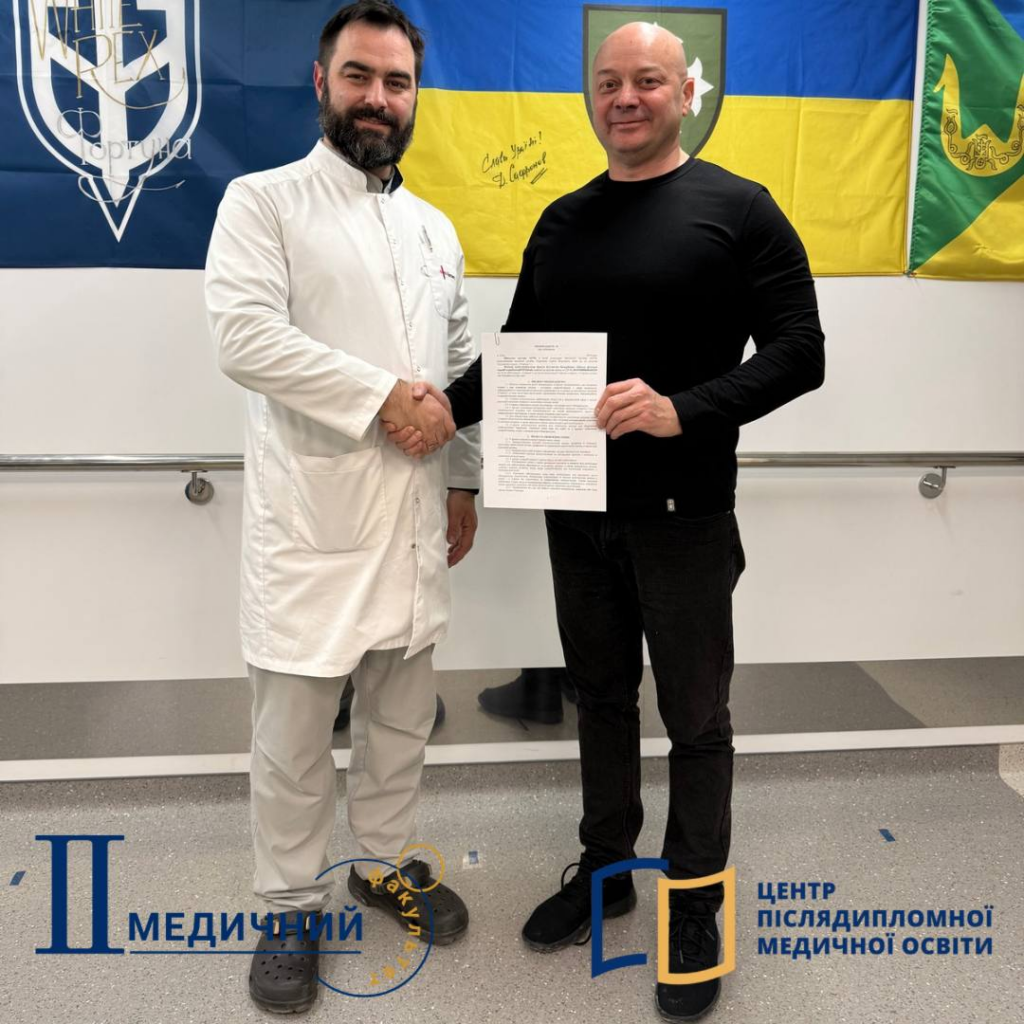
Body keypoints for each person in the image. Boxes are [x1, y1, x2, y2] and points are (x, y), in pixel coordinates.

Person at [387, 21, 825, 1020]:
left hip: (684, 516)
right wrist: (435, 407)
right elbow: (518, 356)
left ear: (686, 94)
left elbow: (801, 352)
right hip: (576, 512)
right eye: (608, 83)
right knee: (599, 696)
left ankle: (695, 904)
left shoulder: (740, 210)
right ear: (592, 96)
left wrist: (683, 409)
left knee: (697, 719)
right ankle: (606, 868)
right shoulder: (563, 220)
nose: (625, 98)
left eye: (647, 81)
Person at [204, 1, 479, 1013]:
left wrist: (463, 476)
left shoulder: (434, 228)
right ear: (321, 82)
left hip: (411, 518)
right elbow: (244, 337)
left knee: (400, 721)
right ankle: (287, 905)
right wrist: (381, 396)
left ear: (414, 96)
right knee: (292, 741)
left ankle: (384, 864)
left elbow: (458, 365)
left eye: (396, 82)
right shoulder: (263, 202)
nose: (378, 97)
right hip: (312, 526)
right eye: (359, 76)